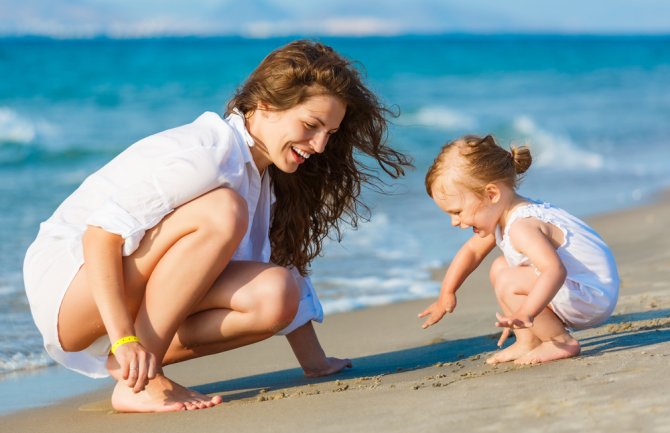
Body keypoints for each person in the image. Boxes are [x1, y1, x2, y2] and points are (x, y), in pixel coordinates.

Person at [23, 40, 412, 413]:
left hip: (121, 292)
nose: (320, 145)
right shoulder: (209, 156)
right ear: (265, 104)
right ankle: (141, 381)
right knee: (223, 211)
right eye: (311, 125)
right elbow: (100, 236)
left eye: (330, 133)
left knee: (277, 292)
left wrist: (315, 362)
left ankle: (129, 365)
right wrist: (125, 337)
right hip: (70, 285)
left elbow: (284, 259)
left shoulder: (268, 175)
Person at [418, 134, 619, 365]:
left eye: (457, 211)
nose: (455, 222)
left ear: (492, 194)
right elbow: (472, 252)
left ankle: (558, 341)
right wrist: (447, 292)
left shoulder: (522, 226)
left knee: (510, 280)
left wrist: (527, 312)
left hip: (590, 297)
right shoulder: (504, 215)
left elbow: (554, 271)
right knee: (500, 267)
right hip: (582, 291)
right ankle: (529, 341)